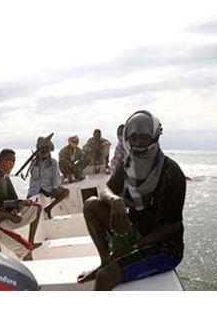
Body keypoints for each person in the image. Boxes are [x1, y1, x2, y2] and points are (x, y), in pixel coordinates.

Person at [77, 111, 186, 290]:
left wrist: (133, 247)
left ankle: (110, 267)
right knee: (91, 205)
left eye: (143, 137)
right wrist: (114, 200)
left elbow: (171, 226)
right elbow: (106, 189)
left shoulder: (171, 173)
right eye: (132, 137)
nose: (137, 143)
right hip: (136, 229)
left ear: (155, 137)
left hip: (164, 247)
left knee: (105, 278)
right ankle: (104, 261)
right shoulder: (129, 163)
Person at [0, 148, 42, 261]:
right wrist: (11, 216)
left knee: (36, 207)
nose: (11, 164)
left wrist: (21, 204)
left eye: (13, 161)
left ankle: (31, 242)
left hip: (6, 217)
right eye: (8, 160)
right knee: (26, 251)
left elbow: (13, 200)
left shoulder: (5, 177)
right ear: (1, 160)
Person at [27, 136, 70, 220]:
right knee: (29, 202)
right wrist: (36, 159)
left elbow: (56, 177)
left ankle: (49, 208)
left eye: (47, 149)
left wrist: (54, 188)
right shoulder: (34, 162)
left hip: (48, 189)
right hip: (35, 190)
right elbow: (33, 176)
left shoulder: (53, 162)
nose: (45, 152)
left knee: (65, 191)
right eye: (42, 150)